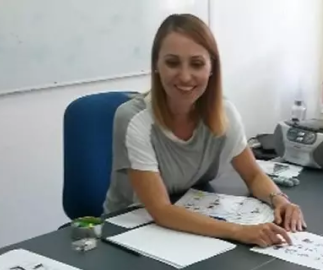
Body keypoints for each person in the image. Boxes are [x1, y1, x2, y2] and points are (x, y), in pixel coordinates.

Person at [103, 14, 304, 247]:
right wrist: (240, 231)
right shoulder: (133, 119)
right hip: (128, 232)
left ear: (211, 68)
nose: (185, 76)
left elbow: (253, 175)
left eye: (197, 64)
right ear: (156, 65)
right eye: (172, 63)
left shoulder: (223, 113)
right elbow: (161, 210)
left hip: (188, 226)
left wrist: (280, 201)